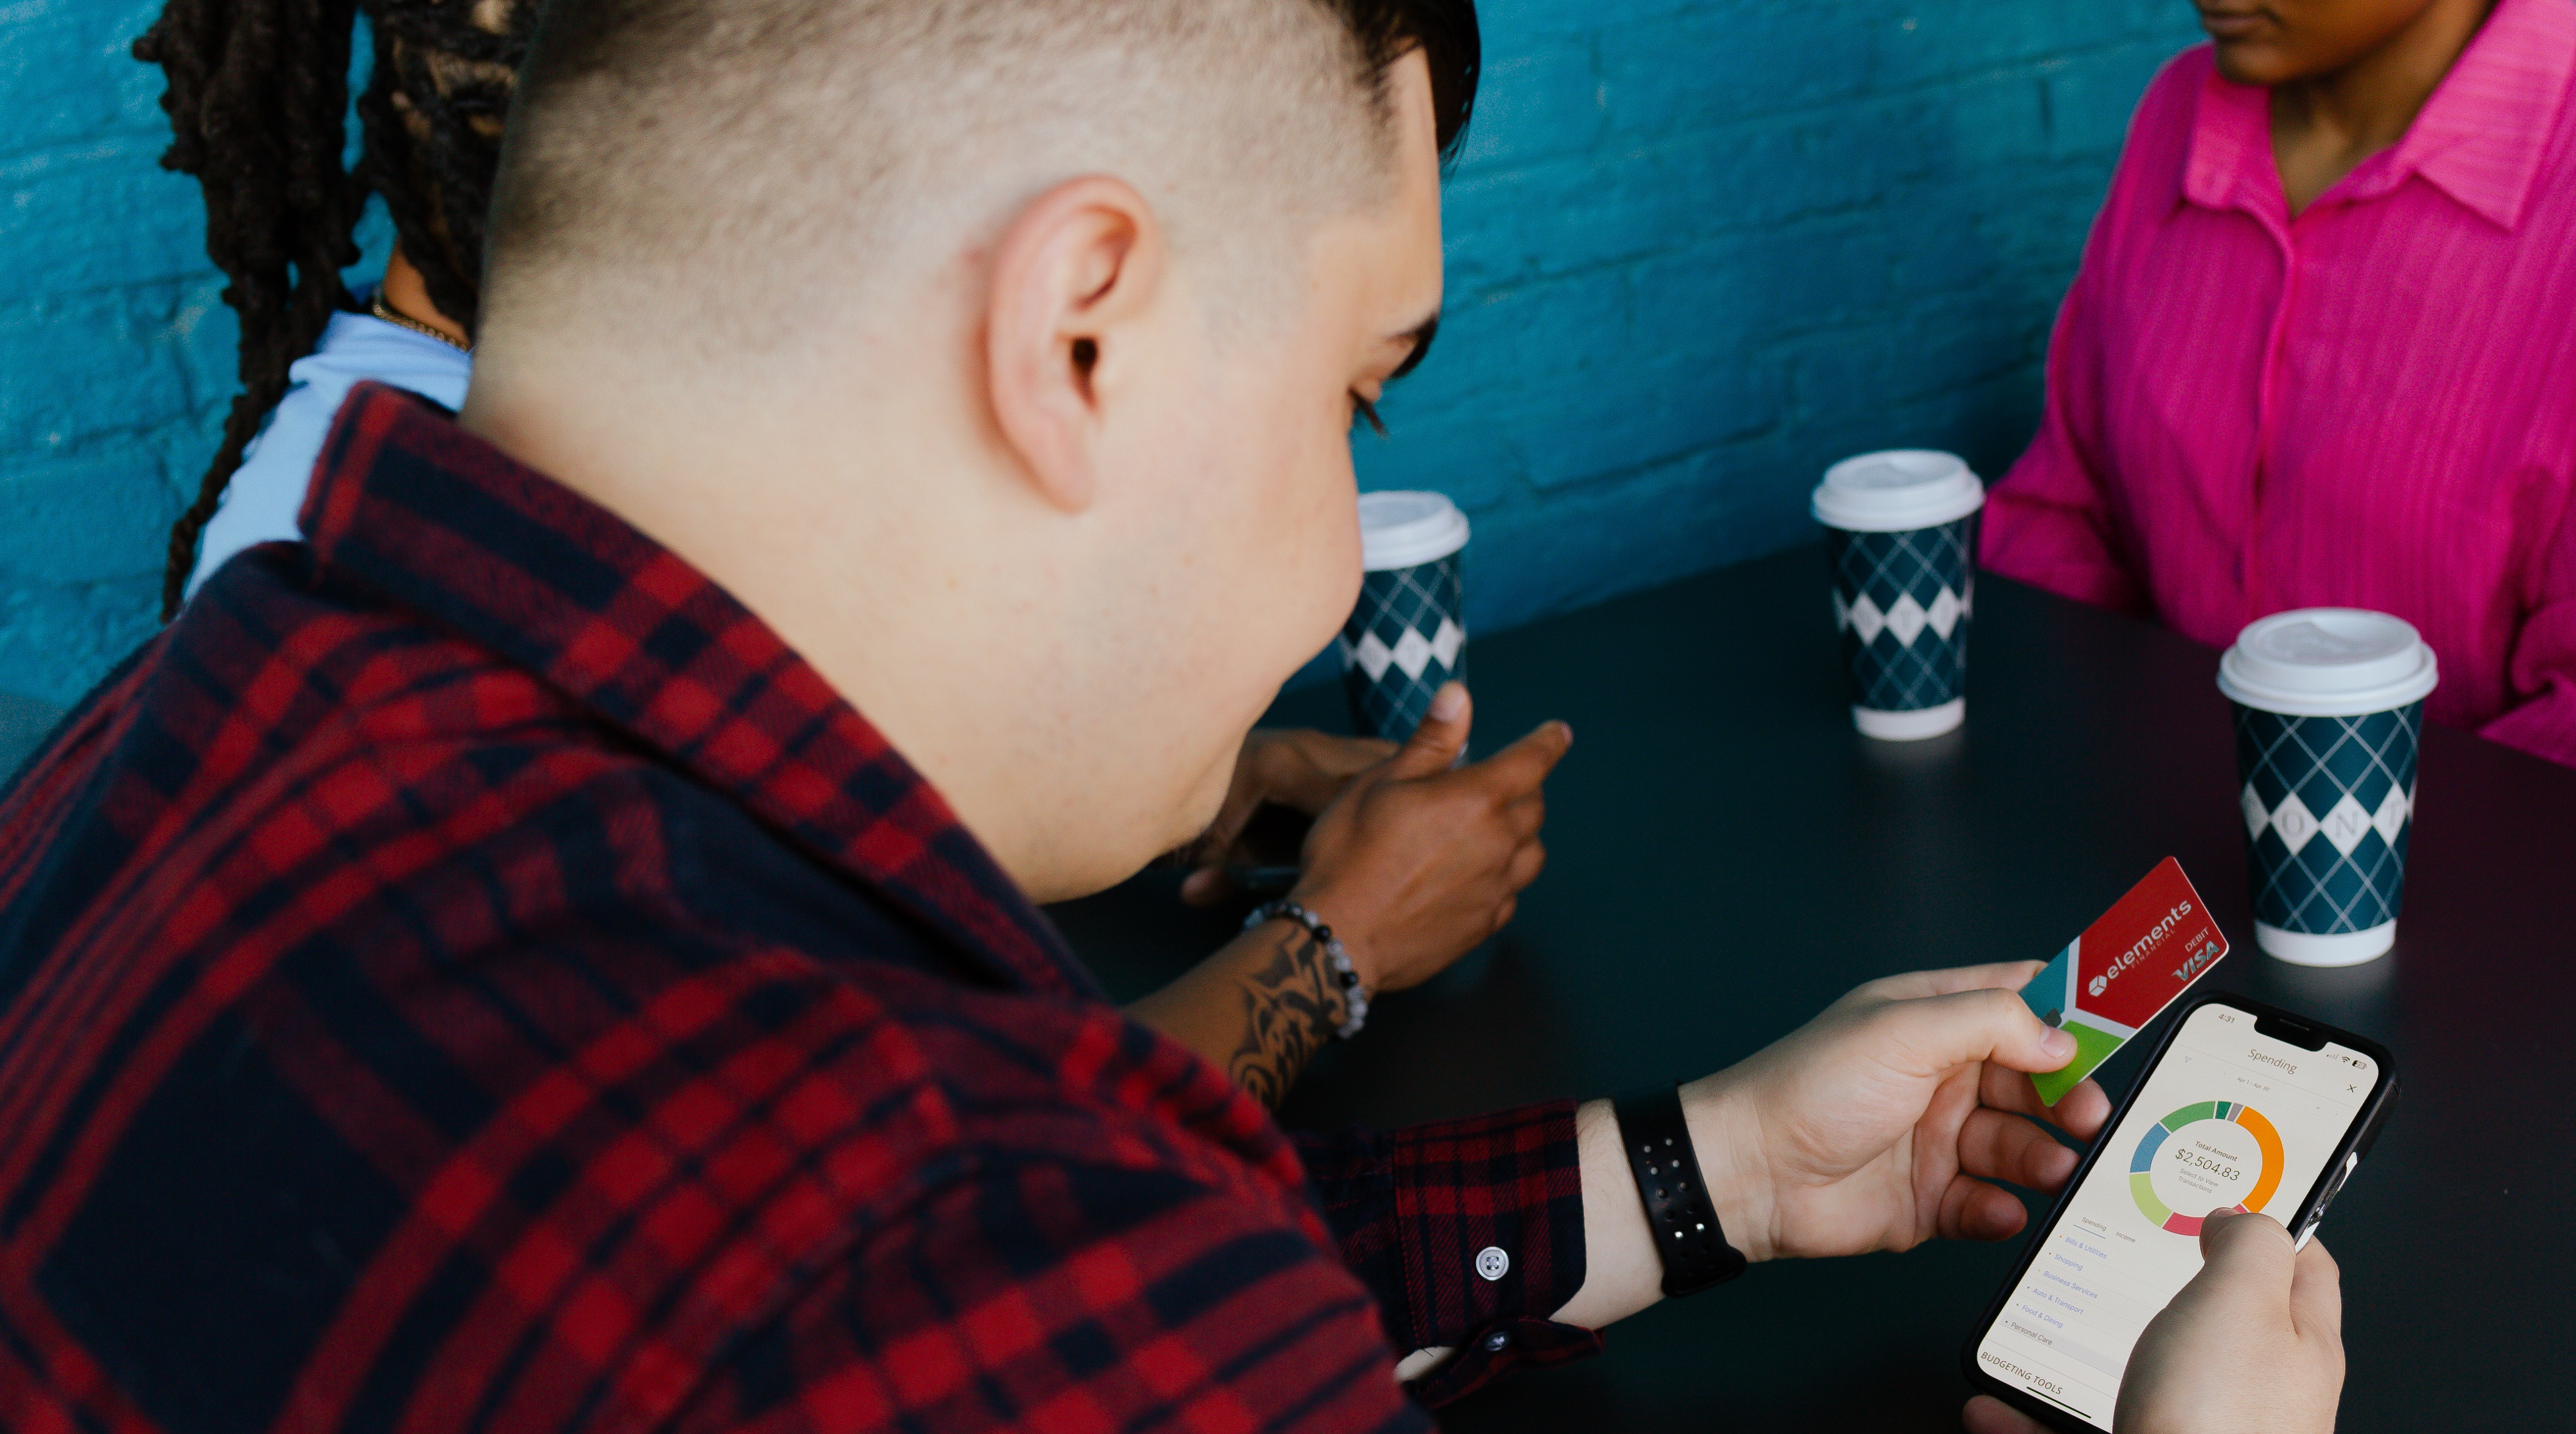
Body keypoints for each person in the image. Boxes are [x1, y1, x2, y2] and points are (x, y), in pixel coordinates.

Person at [0, 2, 2347, 1434]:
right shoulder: (900, 1288)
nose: (1344, 550)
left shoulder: (165, 745)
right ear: (1083, 327)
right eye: (1357, 388)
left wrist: (1709, 1164)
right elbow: (1011, 1303)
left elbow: (1097, 1253)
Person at [135, 0, 1556, 1110]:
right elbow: (898, 1192)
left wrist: (1183, 786)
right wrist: (1331, 948)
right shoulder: (363, 587)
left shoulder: (487, 521)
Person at [1984, 0, 2576, 809]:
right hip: (2195, 811)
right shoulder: (2180, 109)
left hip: (2571, 841)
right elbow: (2066, 510)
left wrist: (2296, 865)